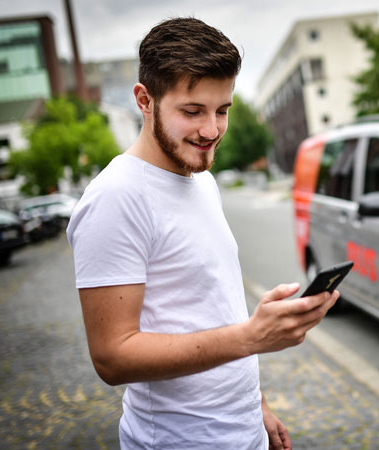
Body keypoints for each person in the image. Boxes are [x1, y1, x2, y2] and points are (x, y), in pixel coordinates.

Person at [66, 17, 339, 450]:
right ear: (145, 99)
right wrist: (252, 336)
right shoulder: (116, 197)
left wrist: (257, 404)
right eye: (192, 111)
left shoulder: (202, 180)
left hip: (243, 432)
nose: (212, 130)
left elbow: (214, 310)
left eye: (223, 110)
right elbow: (112, 357)